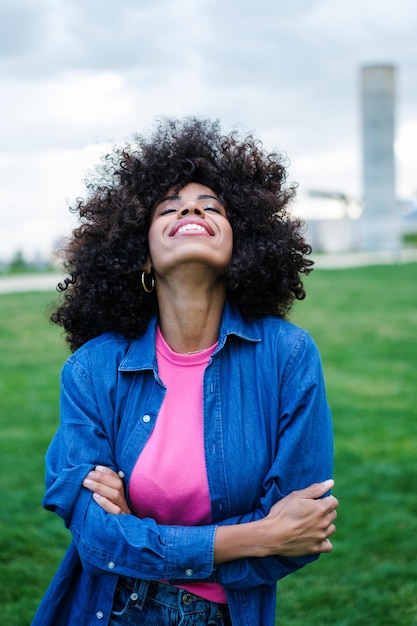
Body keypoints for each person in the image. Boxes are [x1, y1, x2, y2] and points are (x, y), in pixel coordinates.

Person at [32, 117, 338, 626]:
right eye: (167, 209)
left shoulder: (288, 356)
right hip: (111, 611)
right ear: (141, 254)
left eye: (210, 206)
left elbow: (301, 536)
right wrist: (256, 535)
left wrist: (141, 539)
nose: (191, 209)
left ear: (243, 243)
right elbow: (95, 537)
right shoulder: (92, 370)